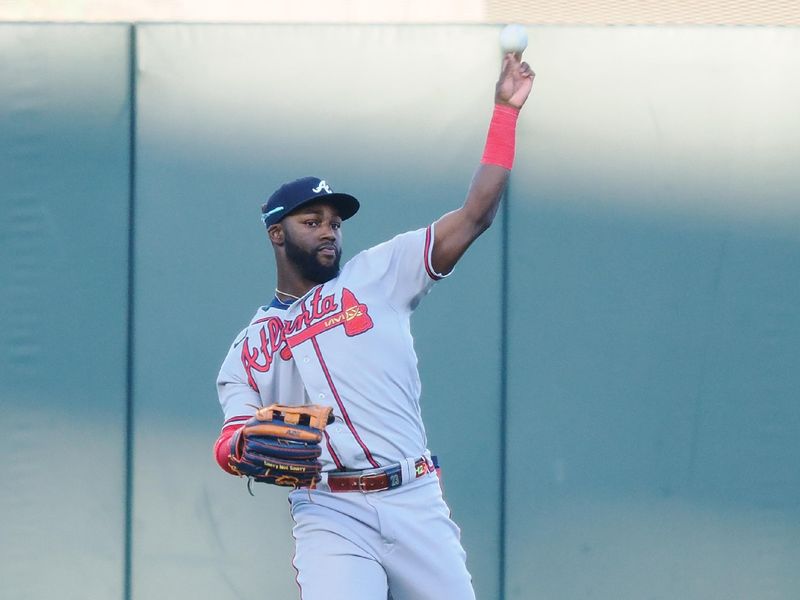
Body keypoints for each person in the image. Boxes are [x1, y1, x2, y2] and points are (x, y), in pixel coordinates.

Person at [213, 52, 534, 600]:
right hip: (329, 510)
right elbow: (232, 437)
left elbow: (475, 213)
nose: (328, 232)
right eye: (311, 222)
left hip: (413, 498)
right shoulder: (249, 349)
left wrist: (504, 113)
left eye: (334, 223)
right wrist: (240, 446)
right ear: (276, 234)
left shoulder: (377, 274)